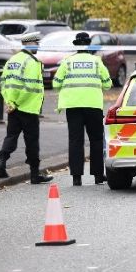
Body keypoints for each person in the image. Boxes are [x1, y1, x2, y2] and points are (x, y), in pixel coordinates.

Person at [52, 32, 112, 186]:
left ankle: (76, 177)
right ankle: (98, 176)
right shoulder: (96, 61)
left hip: (73, 106)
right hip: (93, 105)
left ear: (76, 45)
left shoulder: (67, 62)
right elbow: (107, 84)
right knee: (96, 140)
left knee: (75, 141)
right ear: (89, 45)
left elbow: (56, 84)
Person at [0, 32, 53, 184]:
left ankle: (1, 162)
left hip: (13, 108)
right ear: (30, 43)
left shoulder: (12, 60)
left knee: (11, 137)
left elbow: (3, 83)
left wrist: (10, 103)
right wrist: (18, 103)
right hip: (28, 108)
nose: (38, 46)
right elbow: (29, 86)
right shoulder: (31, 62)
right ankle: (34, 174)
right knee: (32, 142)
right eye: (36, 43)